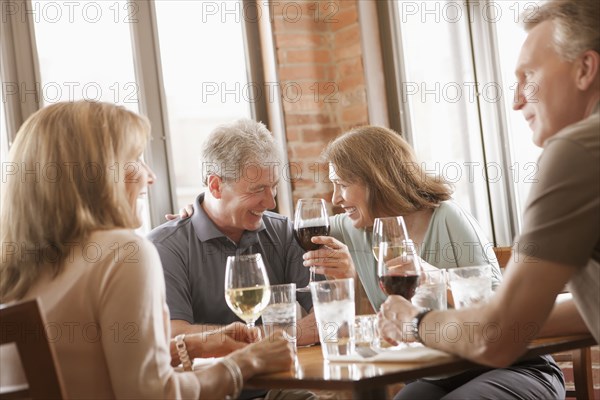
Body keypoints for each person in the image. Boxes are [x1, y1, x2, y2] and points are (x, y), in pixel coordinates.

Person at [0, 101, 292, 399]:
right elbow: (154, 395)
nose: (149, 176)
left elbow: (97, 361)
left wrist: (197, 344)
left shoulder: (18, 267)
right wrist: (245, 363)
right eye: (135, 159)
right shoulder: (122, 253)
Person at [378, 0, 599, 376]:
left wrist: (416, 322)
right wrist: (499, 315)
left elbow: (496, 338)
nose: (515, 101)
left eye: (528, 75)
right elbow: (583, 309)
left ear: (585, 68)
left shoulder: (577, 150)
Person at [301, 125, 565, 399]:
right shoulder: (352, 228)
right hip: (437, 374)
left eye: (342, 185)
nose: (335, 198)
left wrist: (431, 275)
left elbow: (503, 311)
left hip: (510, 364)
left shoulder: (448, 217)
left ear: (377, 180)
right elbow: (285, 229)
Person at [148, 119, 317, 399]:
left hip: (279, 389)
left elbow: (327, 317)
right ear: (215, 185)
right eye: (256, 190)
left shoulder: (285, 232)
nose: (270, 201)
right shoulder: (165, 247)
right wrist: (277, 339)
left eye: (273, 186)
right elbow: (177, 336)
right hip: (210, 392)